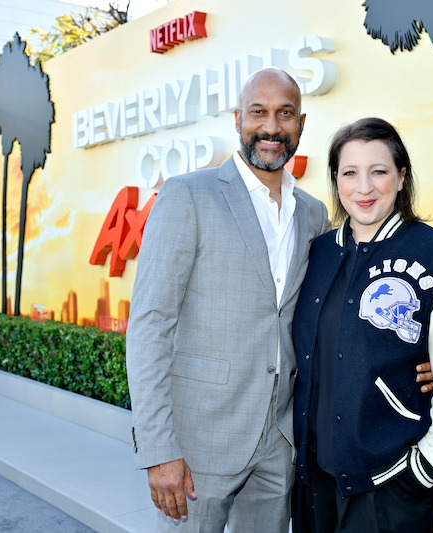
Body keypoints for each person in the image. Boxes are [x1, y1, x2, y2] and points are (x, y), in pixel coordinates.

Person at [126, 67, 331, 532]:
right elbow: (150, 325)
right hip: (199, 444)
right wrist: (159, 449)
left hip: (280, 442)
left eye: (285, 114)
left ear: (301, 122)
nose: (271, 127)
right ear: (238, 118)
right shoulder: (187, 196)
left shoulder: (314, 214)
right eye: (258, 112)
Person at [292, 117, 433, 533]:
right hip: (315, 485)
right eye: (350, 173)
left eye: (378, 171)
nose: (363, 187)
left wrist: (426, 468)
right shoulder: (317, 254)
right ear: (335, 180)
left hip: (390, 488)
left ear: (402, 177)